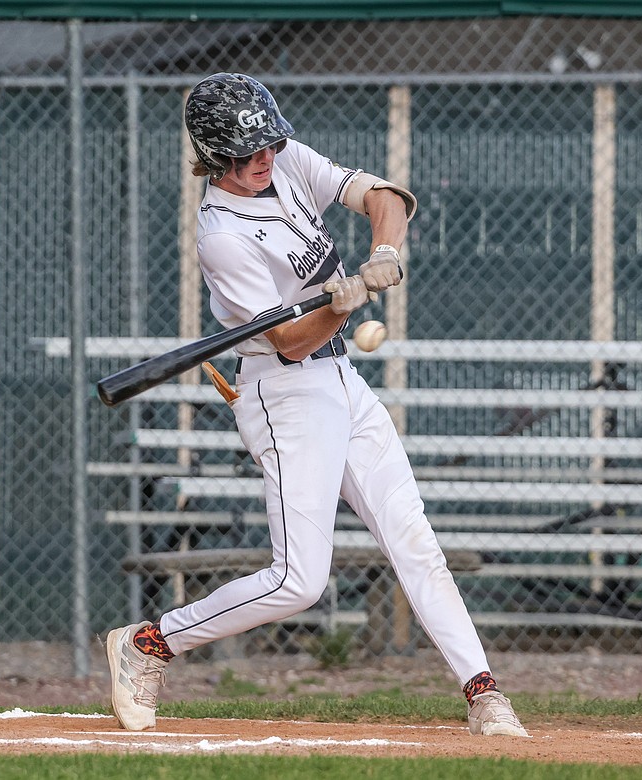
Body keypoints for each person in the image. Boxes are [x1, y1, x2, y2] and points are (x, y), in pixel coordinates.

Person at [105, 72, 528, 738]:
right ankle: (150, 643)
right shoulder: (221, 236)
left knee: (413, 540)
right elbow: (293, 341)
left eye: (268, 144)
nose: (263, 159)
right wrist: (346, 299)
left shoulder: (288, 161)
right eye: (247, 153)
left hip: (343, 384)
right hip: (284, 391)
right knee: (300, 581)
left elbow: (385, 196)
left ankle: (484, 694)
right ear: (215, 156)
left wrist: (383, 250)